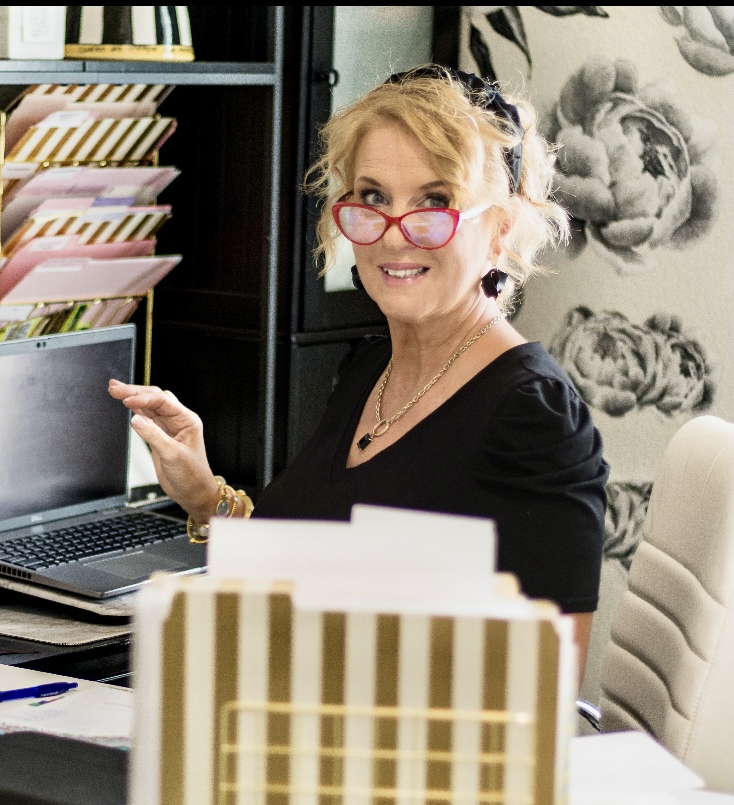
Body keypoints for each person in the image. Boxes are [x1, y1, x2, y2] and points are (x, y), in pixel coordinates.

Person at [109, 65, 609, 678]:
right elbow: (312, 569)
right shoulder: (371, 366)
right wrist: (207, 495)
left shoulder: (532, 417)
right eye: (373, 198)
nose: (396, 236)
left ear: (499, 232)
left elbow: (546, 691)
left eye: (435, 201)